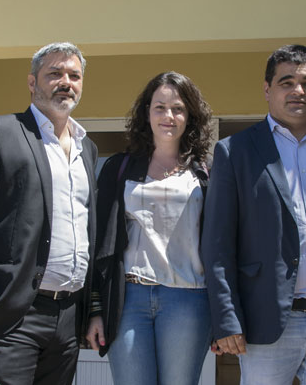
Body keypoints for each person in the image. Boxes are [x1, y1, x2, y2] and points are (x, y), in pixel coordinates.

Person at [202, 44, 306, 385]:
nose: (298, 91)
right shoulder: (236, 152)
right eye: (286, 82)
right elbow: (217, 245)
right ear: (267, 89)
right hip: (268, 324)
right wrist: (227, 318)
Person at [0, 42, 98, 384]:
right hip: (10, 311)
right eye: (54, 74)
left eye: (74, 75)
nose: (66, 82)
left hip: (68, 315)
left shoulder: (88, 148)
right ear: (32, 83)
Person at [85, 71, 214, 385]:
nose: (168, 116)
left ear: (190, 116)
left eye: (178, 108)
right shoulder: (119, 168)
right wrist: (95, 309)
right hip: (129, 298)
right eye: (159, 107)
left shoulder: (206, 172)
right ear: (146, 113)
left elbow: (222, 242)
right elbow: (98, 242)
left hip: (188, 299)